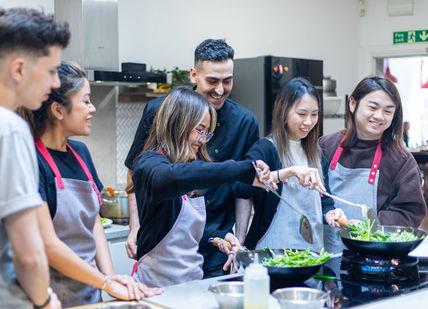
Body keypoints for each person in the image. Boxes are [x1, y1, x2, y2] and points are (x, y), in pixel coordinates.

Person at [22, 61, 162, 307]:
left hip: (89, 293)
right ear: (58, 110)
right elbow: (48, 245)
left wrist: (109, 279)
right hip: (47, 297)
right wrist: (105, 282)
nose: (93, 108)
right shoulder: (31, 160)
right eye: (86, 101)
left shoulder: (81, 153)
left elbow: (94, 222)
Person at [125, 39, 260, 277]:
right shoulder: (160, 113)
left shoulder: (244, 122)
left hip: (215, 242)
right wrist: (135, 228)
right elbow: (139, 174)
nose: (220, 90)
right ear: (194, 74)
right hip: (164, 245)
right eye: (212, 81)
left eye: (227, 81)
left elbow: (242, 191)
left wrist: (238, 241)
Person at [131, 86, 273, 287]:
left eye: (207, 133)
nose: (202, 140)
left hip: (191, 284)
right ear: (178, 123)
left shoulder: (187, 169)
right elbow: (175, 177)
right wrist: (244, 170)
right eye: (199, 130)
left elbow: (184, 234)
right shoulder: (149, 164)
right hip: (155, 288)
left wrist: (220, 237)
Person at [0, 7, 69, 309]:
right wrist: (44, 301)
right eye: (52, 71)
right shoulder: (10, 130)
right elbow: (28, 253)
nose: (55, 84)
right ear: (18, 70)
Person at [233, 78, 346, 252]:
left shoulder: (316, 153)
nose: (308, 121)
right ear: (283, 112)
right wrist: (290, 172)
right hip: (271, 254)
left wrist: (331, 214)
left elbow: (325, 200)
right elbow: (241, 187)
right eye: (301, 114)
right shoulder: (266, 149)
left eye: (314, 114)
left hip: (312, 255)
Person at [320, 76, 427, 253]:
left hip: (375, 254)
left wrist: (370, 226)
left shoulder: (400, 160)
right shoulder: (326, 146)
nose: (379, 116)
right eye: (373, 107)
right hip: (325, 253)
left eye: (388, 111)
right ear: (353, 104)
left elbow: (410, 211)